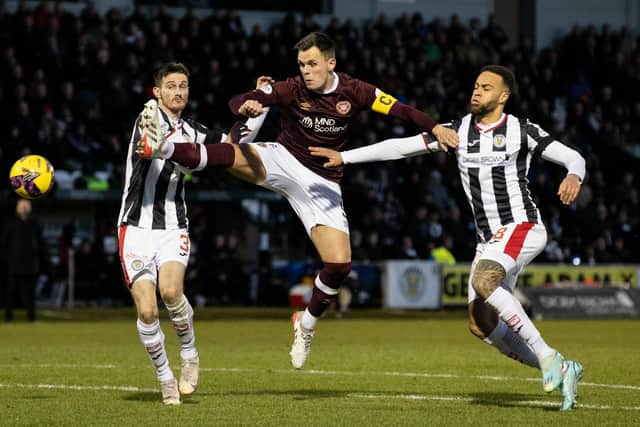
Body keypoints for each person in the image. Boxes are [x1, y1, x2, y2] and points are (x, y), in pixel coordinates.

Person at [137, 32, 459, 370]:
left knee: (339, 266)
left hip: (323, 181)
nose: (306, 71)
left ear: (330, 63)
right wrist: (248, 103)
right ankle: (164, 147)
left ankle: (304, 325)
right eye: (302, 64)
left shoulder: (356, 91)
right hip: (283, 159)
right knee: (233, 153)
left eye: (312, 64)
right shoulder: (292, 88)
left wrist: (434, 128)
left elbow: (401, 110)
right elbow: (240, 99)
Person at [308, 65, 585, 411]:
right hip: (489, 240)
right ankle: (563, 369)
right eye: (475, 85)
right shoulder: (457, 131)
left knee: (485, 281)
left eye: (486, 88)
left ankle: (547, 357)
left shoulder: (521, 130)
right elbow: (399, 148)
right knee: (480, 324)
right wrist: (344, 157)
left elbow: (573, 155)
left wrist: (574, 174)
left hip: (522, 226)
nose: (476, 91)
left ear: (503, 96)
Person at [118, 62, 267, 405]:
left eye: (183, 85)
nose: (178, 91)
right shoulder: (147, 119)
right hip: (136, 227)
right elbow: (147, 145)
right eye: (170, 86)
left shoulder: (194, 130)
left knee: (171, 292)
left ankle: (189, 353)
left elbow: (232, 143)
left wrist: (260, 105)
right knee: (147, 311)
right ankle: (164, 377)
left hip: (172, 224)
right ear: (157, 92)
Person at [0, 198, 47, 322]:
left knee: (30, 293)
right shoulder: (11, 223)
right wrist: (7, 261)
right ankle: (8, 317)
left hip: (31, 264)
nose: (25, 207)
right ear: (17, 207)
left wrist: (42, 260)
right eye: (22, 205)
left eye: (27, 205)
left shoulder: (34, 223)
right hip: (14, 264)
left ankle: (32, 317)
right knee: (11, 292)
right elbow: (4, 244)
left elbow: (41, 243)